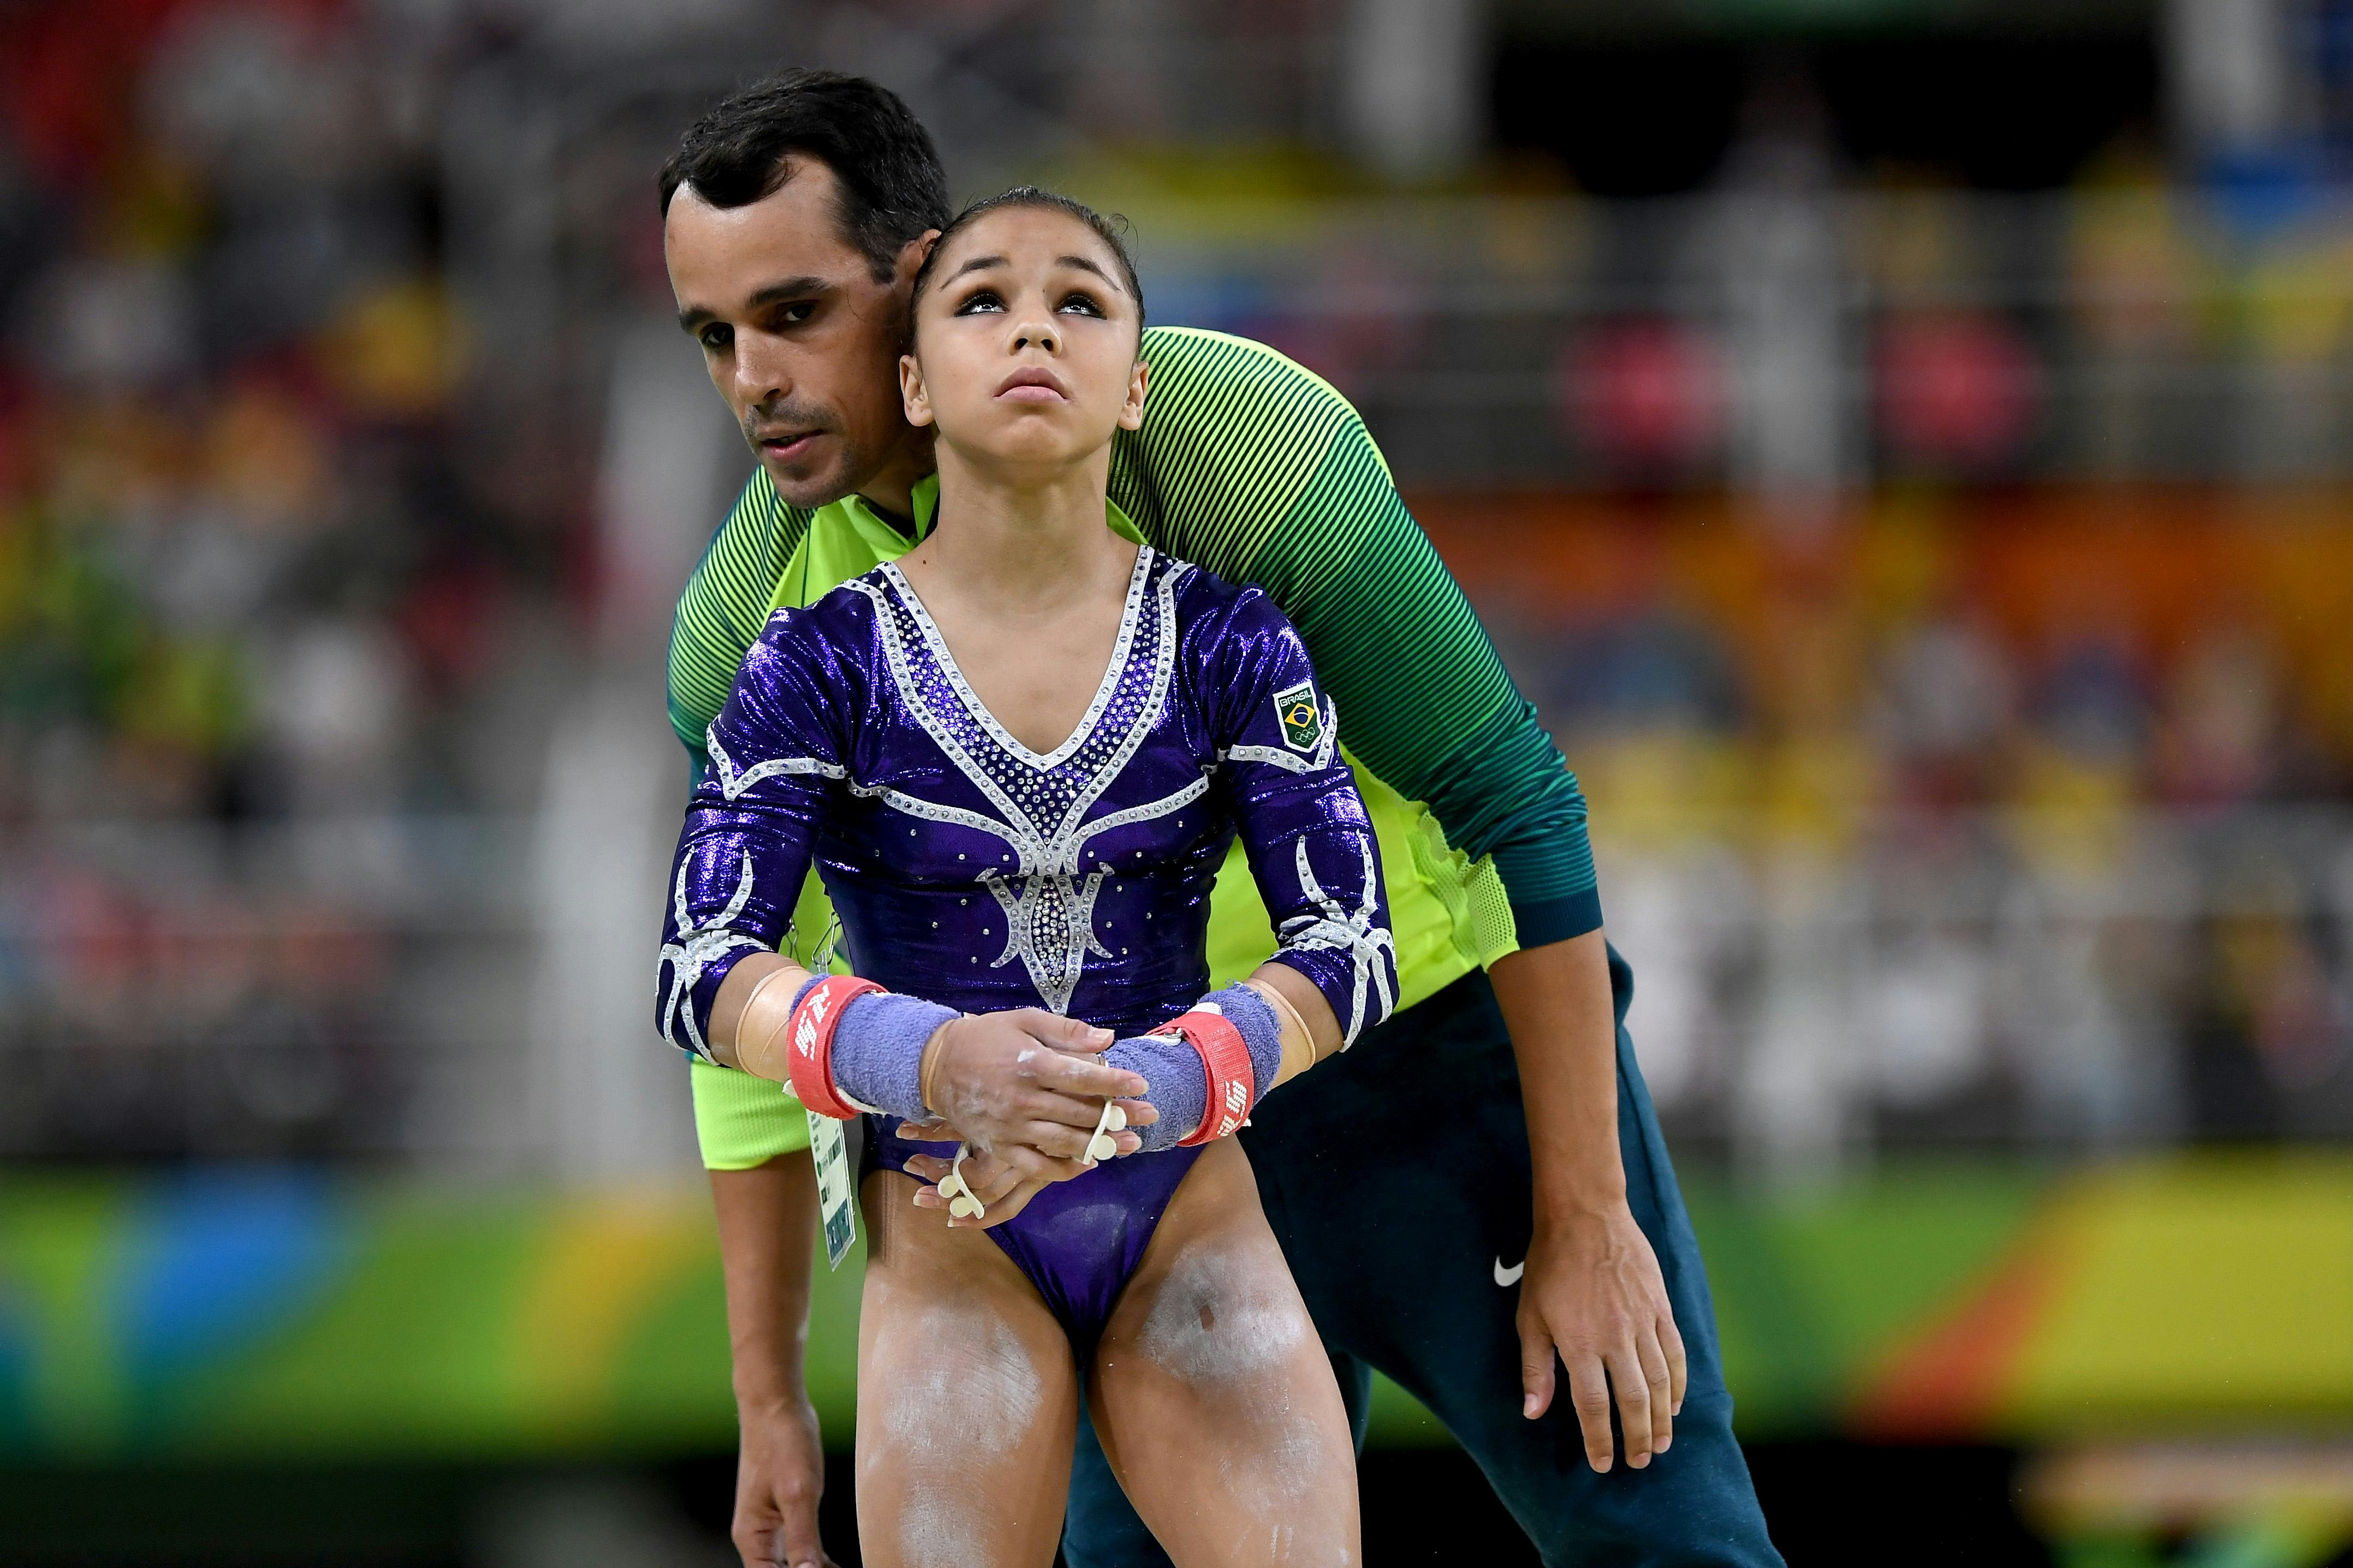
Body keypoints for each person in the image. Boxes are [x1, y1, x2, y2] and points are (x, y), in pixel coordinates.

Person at [659, 69, 1783, 1568]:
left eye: (793, 313)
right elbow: (741, 1016)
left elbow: (1509, 797)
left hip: (1423, 1070)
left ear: (920, 279)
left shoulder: (1244, 446)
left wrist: (1584, 1210)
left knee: (1670, 1545)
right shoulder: (748, 630)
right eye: (712, 336)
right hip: (1107, 1152)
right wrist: (767, 1392)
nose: (752, 378)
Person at [660, 187, 1390, 1565]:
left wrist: (1168, 1081)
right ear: (913, 384)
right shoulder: (811, 662)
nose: (1034, 330)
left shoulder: (1231, 642)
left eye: (1081, 303)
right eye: (985, 300)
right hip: (948, 1228)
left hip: (1185, 1204)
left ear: (1135, 388)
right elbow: (701, 970)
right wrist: (933, 1063)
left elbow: (1351, 943)